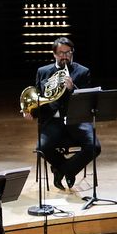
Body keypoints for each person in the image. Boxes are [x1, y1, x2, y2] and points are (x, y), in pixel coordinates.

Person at [26, 37, 99, 191]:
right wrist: (31, 112)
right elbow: (39, 98)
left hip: (76, 120)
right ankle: (67, 169)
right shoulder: (43, 72)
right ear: (54, 54)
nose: (64, 56)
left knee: (94, 147)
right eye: (61, 53)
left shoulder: (82, 71)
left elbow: (86, 100)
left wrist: (72, 88)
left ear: (72, 53)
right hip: (52, 121)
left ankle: (63, 170)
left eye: (67, 52)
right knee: (42, 148)